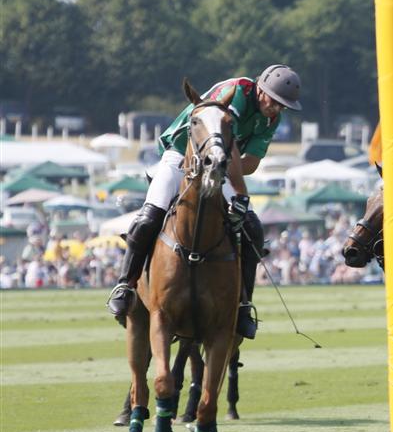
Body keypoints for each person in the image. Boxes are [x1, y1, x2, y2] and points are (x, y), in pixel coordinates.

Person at [106, 64, 302, 339]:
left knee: (253, 229)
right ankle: (125, 286)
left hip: (218, 167)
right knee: (150, 216)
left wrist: (228, 176)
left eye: (283, 105)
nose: (276, 108)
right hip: (180, 155)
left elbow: (252, 162)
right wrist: (233, 178)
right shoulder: (237, 92)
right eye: (274, 100)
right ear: (260, 89)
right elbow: (224, 140)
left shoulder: (271, 120)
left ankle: (243, 306)